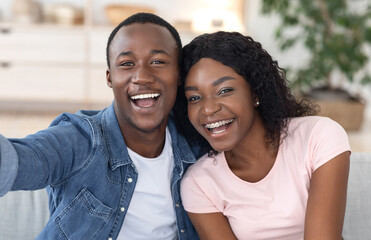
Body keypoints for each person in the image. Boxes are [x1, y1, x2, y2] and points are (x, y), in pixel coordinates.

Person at [0, 13, 202, 240]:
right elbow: (25, 160)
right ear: (109, 77)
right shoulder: (79, 139)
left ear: (179, 76)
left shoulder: (196, 147)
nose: (142, 77)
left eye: (157, 62)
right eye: (126, 64)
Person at [175, 31, 351, 240]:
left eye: (224, 90)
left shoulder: (319, 137)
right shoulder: (199, 182)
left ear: (255, 92)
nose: (208, 109)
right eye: (194, 97)